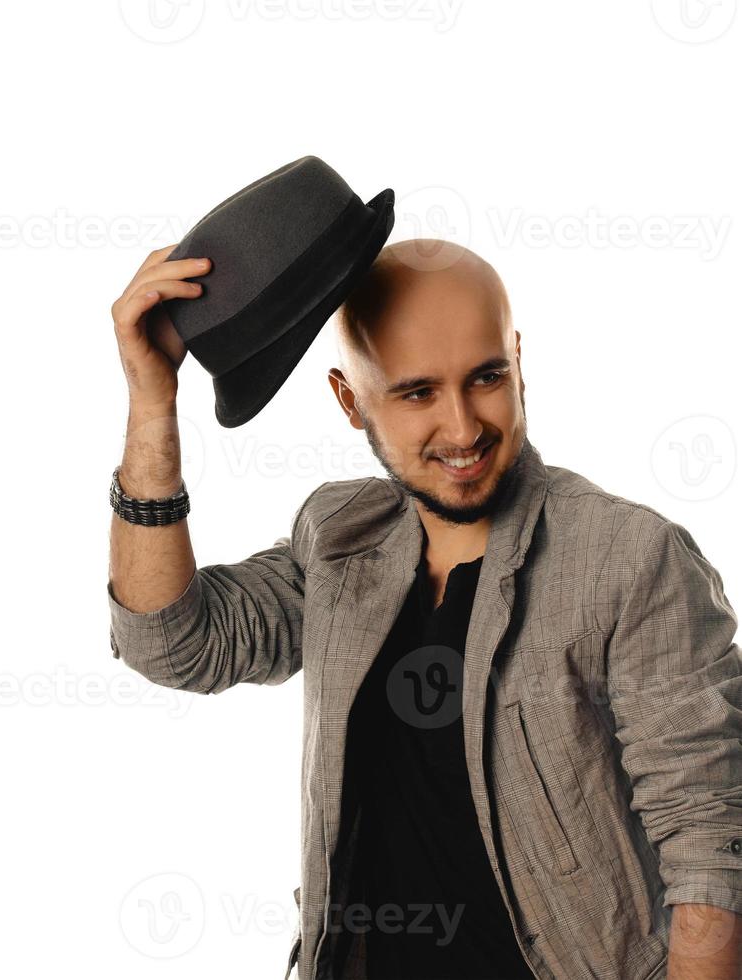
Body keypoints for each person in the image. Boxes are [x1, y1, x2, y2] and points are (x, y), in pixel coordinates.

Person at [107, 239, 742, 979]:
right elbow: (174, 644)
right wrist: (152, 401)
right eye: (417, 393)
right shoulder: (340, 538)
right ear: (350, 400)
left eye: (486, 377)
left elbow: (711, 844)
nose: (464, 427)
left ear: (518, 360)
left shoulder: (629, 558)